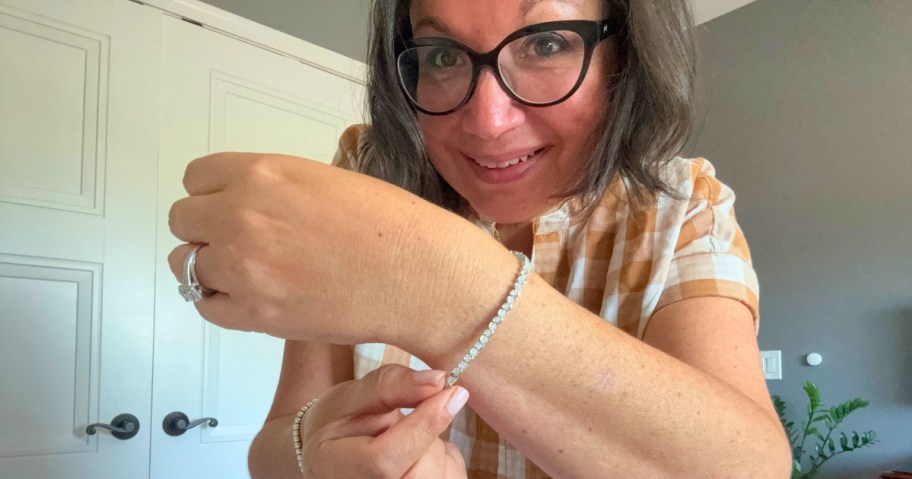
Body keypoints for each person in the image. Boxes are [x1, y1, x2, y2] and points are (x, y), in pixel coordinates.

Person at [168, 0, 793, 477]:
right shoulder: (369, 171)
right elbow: (275, 446)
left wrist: (443, 282)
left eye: (546, 43)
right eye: (441, 55)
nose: (487, 123)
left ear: (624, 61)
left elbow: (749, 466)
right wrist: (318, 456)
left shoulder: (682, 207)